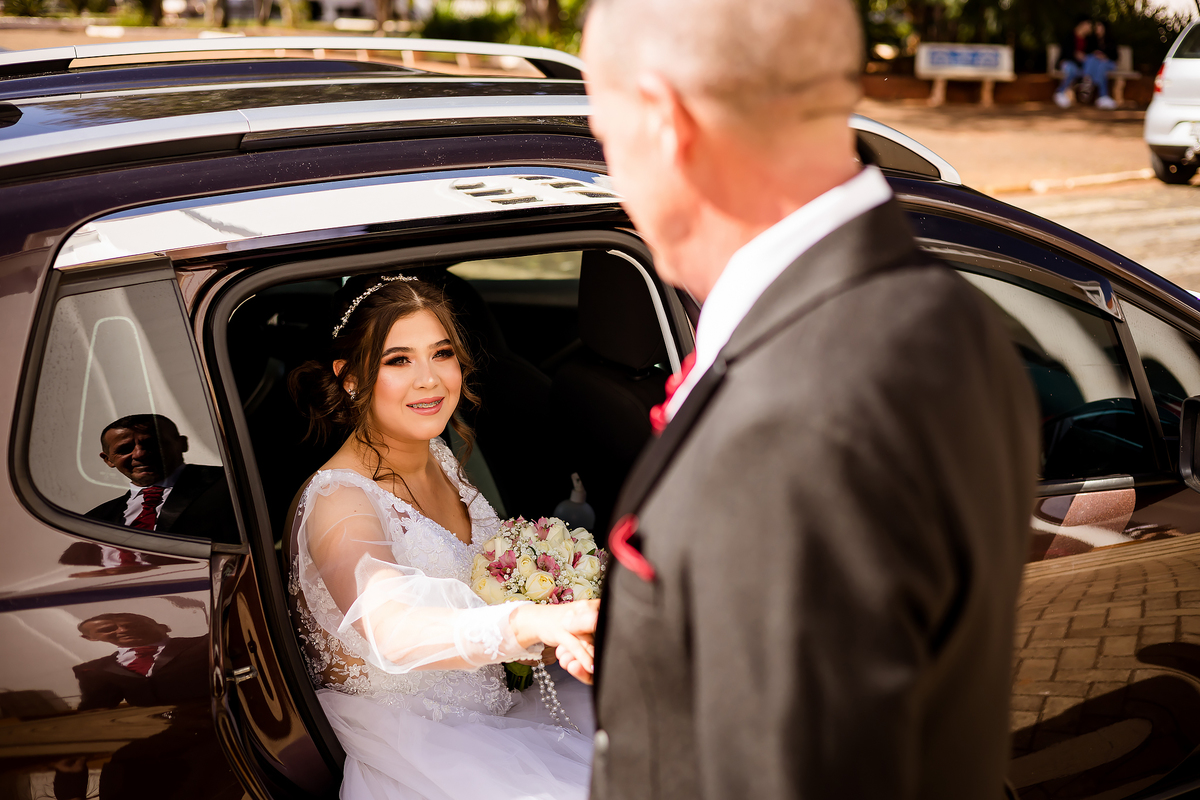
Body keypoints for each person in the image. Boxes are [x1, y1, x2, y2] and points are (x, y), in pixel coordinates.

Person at [576, 1, 1041, 798]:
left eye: (603, 138)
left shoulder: (791, 424)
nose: (614, 181)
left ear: (663, 121)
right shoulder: (954, 317)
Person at [287, 275, 598, 800]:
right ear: (351, 378)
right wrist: (529, 619)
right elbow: (391, 628)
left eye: (442, 354)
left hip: (499, 709)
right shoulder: (339, 499)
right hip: (423, 742)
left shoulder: (439, 457)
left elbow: (475, 594)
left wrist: (547, 632)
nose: (429, 380)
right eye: (398, 360)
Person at [53, 612, 242, 800]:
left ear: (162, 626)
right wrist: (71, 790)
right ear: (90, 638)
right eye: (107, 629)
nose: (123, 629)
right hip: (137, 770)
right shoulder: (96, 670)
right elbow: (87, 722)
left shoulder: (207, 644)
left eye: (132, 624)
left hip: (216, 752)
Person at [85, 414, 236, 538]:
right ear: (108, 460)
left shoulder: (232, 486)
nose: (140, 454)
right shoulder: (94, 521)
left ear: (182, 444)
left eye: (152, 444)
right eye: (125, 449)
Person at [1055, 16, 1119, 110]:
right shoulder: (1071, 36)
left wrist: (1101, 56)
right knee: (1073, 68)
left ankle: (1087, 81)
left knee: (1095, 61)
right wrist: (1077, 56)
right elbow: (1067, 53)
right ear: (1082, 24)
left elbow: (1113, 56)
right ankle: (1062, 92)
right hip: (1072, 64)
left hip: (1089, 66)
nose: (1091, 27)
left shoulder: (1091, 40)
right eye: (1089, 24)